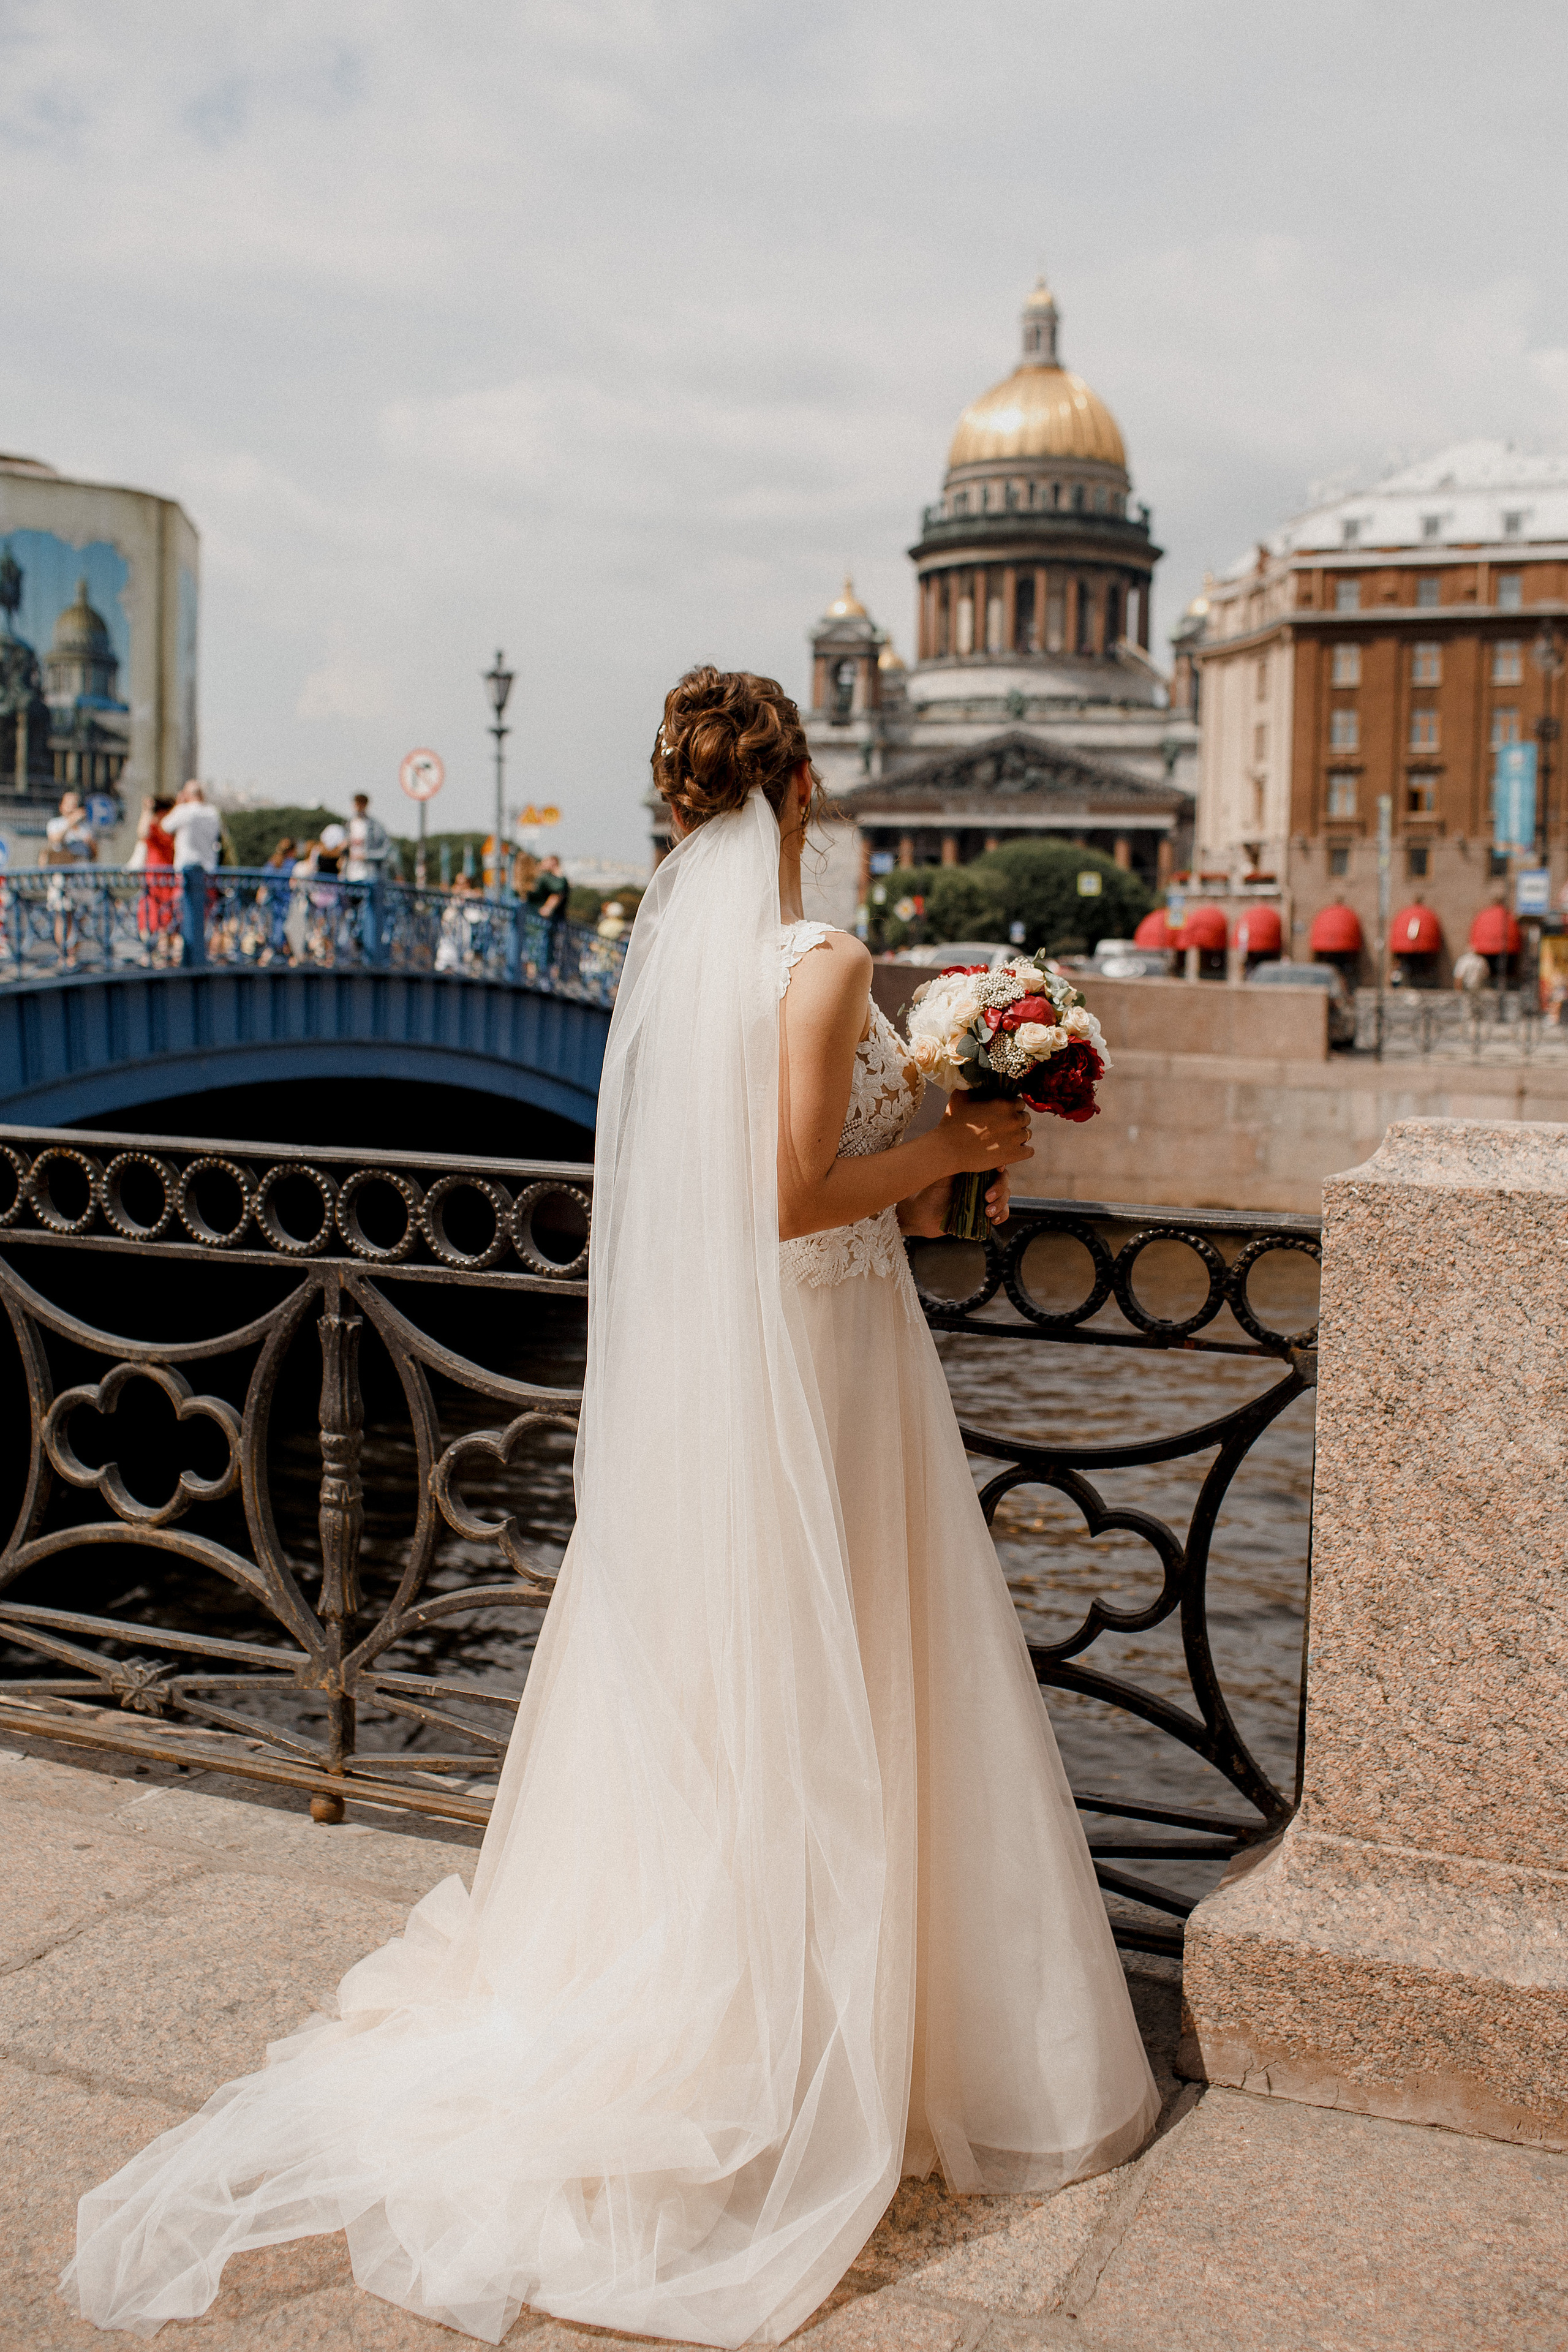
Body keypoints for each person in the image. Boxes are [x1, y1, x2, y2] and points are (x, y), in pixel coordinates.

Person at [64, 666, 1156, 2348]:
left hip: (764, 1373)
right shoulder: (822, 961)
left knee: (747, 1688)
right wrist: (948, 1143)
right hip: (828, 1366)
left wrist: (945, 1141)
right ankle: (843, 2029)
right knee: (853, 1668)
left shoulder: (682, 965)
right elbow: (795, 1195)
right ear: (797, 791)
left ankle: (766, 1983)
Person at [42, 790, 97, 967]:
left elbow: (94, 854)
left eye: (76, 803)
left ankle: (75, 953)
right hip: (63, 874)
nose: (73, 807)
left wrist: (90, 842)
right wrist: (71, 822)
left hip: (82, 875)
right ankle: (63, 953)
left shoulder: (86, 828)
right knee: (63, 914)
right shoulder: (56, 824)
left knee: (81, 914)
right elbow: (56, 840)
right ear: (62, 806)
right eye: (70, 803)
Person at [345, 793, 391, 882]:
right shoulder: (349, 824)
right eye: (356, 803)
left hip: (369, 876)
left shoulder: (376, 826)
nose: (358, 807)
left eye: (361, 803)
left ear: (366, 805)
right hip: (350, 874)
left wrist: (366, 856)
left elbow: (386, 851)